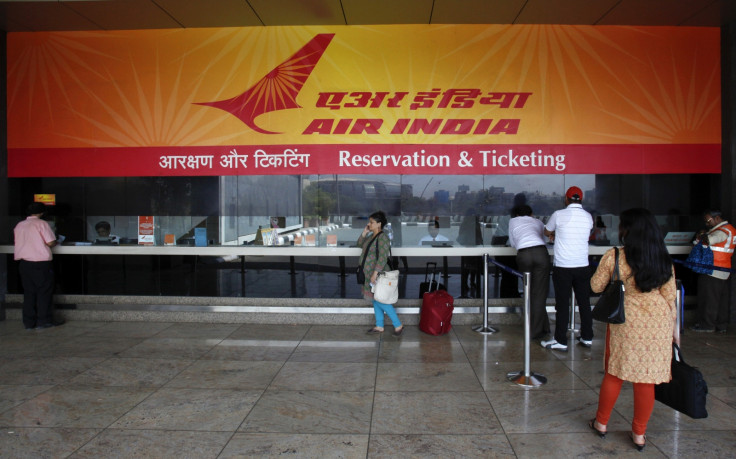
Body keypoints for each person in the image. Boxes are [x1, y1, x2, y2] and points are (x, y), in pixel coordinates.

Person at [588, 208, 677, 451]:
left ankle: (602, 423)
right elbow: (670, 297)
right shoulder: (663, 258)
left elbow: (595, 286)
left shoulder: (616, 255)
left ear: (628, 230)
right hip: (658, 322)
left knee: (615, 372)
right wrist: (675, 332)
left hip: (626, 320)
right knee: (646, 381)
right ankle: (639, 434)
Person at [541, 186, 594, 351]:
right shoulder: (588, 217)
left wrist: (555, 234)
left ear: (566, 199)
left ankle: (560, 340)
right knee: (584, 302)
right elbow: (578, 233)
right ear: (581, 199)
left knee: (562, 304)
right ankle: (587, 337)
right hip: (583, 265)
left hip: (563, 266)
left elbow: (546, 231)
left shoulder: (559, 215)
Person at [14, 202, 61, 329]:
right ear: (42, 212)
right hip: (41, 263)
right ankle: (44, 321)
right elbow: (51, 242)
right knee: (44, 292)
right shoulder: (42, 224)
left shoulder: (20, 225)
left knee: (29, 293)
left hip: (24, 263)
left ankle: (29, 323)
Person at [508, 204, 551, 340]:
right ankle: (539, 328)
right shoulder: (538, 222)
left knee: (530, 291)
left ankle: (538, 328)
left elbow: (513, 243)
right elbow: (544, 238)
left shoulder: (513, 221)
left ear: (516, 214)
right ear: (531, 213)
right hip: (541, 253)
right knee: (539, 292)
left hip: (524, 255)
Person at [358, 210, 404, 337]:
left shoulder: (383, 238)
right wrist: (365, 232)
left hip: (378, 274)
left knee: (381, 300)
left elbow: (382, 257)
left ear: (379, 224)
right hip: (369, 274)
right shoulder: (370, 236)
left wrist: (374, 273)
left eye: (372, 222)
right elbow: (359, 244)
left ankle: (397, 324)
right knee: (375, 299)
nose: (369, 224)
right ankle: (379, 325)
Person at [690, 210, 735, 333]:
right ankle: (721, 325)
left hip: (712, 269)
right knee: (721, 301)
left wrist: (701, 235)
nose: (706, 223)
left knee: (709, 299)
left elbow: (710, 240)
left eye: (708, 220)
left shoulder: (723, 231)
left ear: (717, 218)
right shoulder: (729, 229)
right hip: (721, 269)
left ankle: (707, 325)